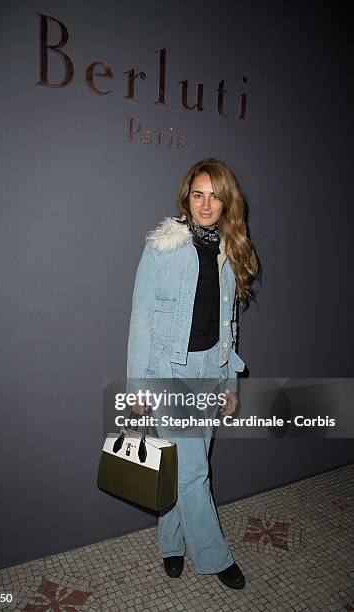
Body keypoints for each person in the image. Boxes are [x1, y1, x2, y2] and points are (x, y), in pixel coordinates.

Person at [126, 158, 258, 589]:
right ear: (187, 197)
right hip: (169, 370)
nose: (205, 204)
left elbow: (230, 325)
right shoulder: (163, 245)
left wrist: (230, 382)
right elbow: (140, 317)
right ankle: (215, 557)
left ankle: (170, 544)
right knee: (196, 471)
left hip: (210, 368)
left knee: (179, 465)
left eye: (214, 195)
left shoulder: (229, 249)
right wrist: (138, 387)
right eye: (197, 194)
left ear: (226, 201)